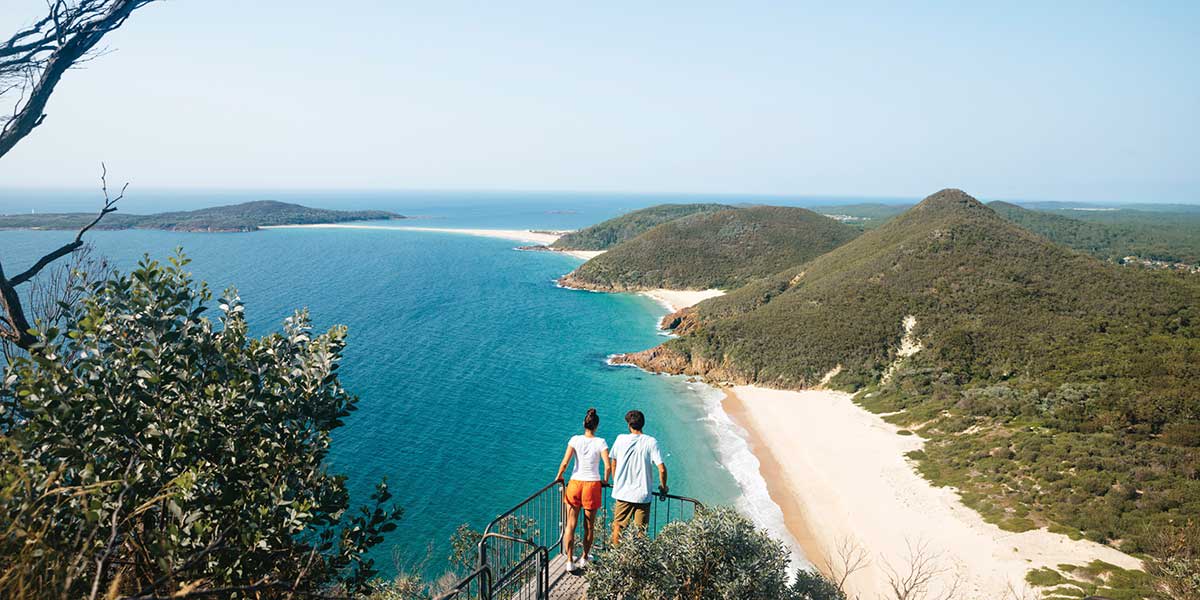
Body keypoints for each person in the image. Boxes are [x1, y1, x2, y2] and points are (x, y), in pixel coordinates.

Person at [553, 407, 609, 572]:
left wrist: (559, 476)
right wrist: (605, 481)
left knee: (570, 524)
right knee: (589, 526)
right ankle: (584, 557)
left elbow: (565, 462)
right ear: (596, 426)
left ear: (584, 424)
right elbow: (607, 466)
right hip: (592, 485)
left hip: (575, 484)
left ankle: (569, 561)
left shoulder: (575, 440)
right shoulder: (601, 442)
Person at [608, 409, 667, 546]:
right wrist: (663, 487)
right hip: (643, 495)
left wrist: (616, 482)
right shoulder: (651, 442)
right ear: (643, 424)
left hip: (622, 493)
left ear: (629, 425)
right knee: (641, 531)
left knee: (618, 527)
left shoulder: (620, 439)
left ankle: (616, 558)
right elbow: (662, 469)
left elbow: (613, 462)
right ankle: (638, 562)